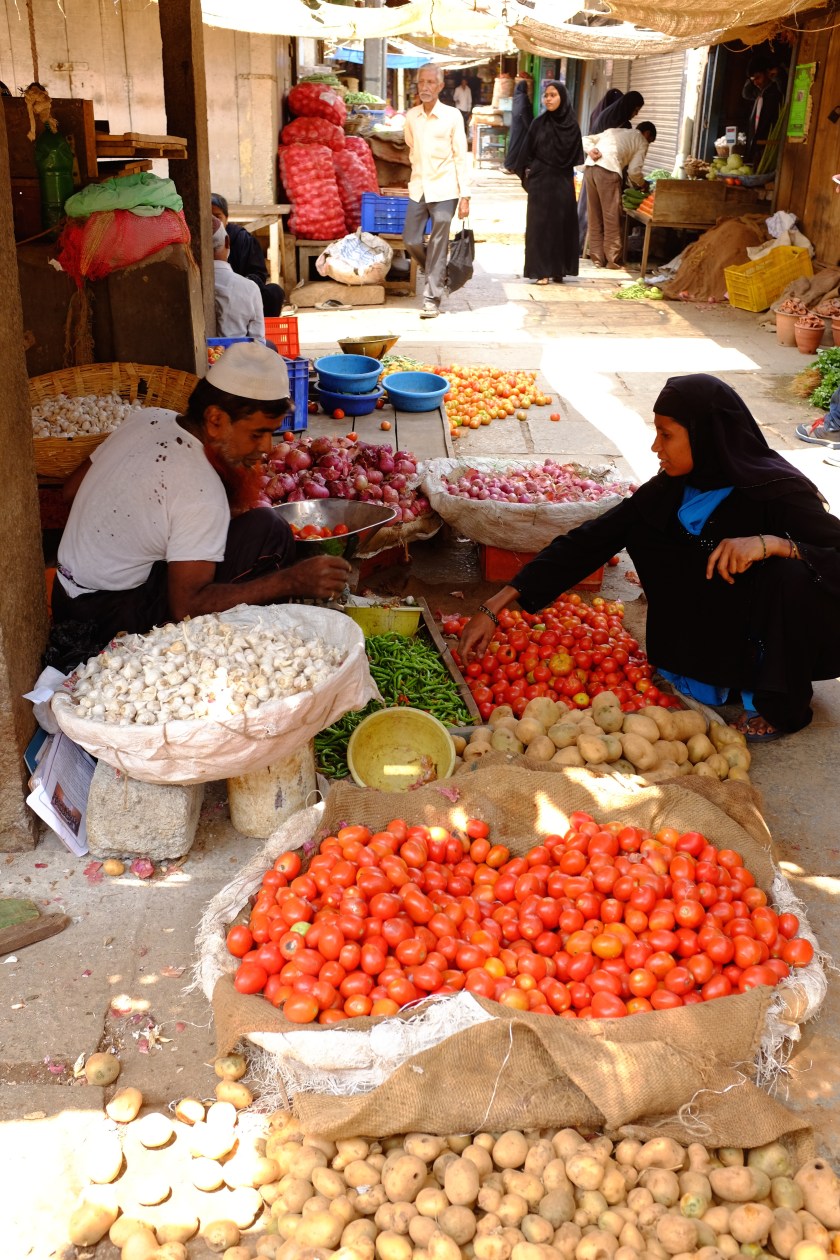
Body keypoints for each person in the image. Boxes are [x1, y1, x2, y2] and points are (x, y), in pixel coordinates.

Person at [459, 374, 840, 741]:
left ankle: (776, 698)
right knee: (644, 526)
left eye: (667, 435)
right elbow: (587, 542)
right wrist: (495, 606)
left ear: (706, 436)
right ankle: (710, 664)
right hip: (721, 627)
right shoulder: (672, 489)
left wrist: (772, 544)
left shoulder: (777, 492)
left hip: (772, 631)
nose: (656, 447)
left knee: (792, 574)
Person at [51, 342, 351, 659]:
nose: (265, 446)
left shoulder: (149, 418)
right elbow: (187, 606)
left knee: (260, 524)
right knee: (271, 534)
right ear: (215, 420)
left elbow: (70, 491)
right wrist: (291, 581)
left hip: (65, 595)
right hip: (111, 623)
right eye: (256, 433)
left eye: (272, 433)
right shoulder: (200, 490)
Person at [403, 63, 471, 319]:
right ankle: (436, 271)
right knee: (410, 239)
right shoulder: (411, 117)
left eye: (431, 82)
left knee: (440, 239)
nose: (425, 87)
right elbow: (411, 148)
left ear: (441, 86)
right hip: (419, 186)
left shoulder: (453, 116)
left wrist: (465, 195)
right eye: (422, 82)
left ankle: (432, 297)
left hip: (445, 187)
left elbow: (460, 156)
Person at [519, 81, 583, 286]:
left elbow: (575, 156)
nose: (548, 99)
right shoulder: (538, 123)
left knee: (560, 225)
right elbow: (525, 153)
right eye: (546, 95)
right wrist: (531, 172)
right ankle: (541, 271)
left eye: (553, 95)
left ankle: (559, 270)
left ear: (562, 97)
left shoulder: (572, 126)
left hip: (562, 182)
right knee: (540, 227)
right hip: (541, 182)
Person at [583, 121, 657, 269]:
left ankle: (597, 259)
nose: (648, 143)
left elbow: (585, 138)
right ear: (647, 134)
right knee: (612, 217)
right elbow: (634, 171)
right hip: (608, 171)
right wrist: (643, 184)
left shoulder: (614, 130)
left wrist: (591, 150)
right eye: (650, 140)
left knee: (595, 215)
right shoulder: (641, 140)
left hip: (590, 168)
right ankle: (613, 260)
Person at [210, 193, 285, 318]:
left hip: (241, 295)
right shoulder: (193, 239)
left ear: (227, 219)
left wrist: (240, 286)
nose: (214, 223)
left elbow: (258, 274)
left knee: (274, 292)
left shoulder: (242, 238)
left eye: (218, 217)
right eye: (208, 218)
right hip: (212, 295)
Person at [577, 89, 623, 247]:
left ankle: (583, 242)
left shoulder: (598, 114)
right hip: (603, 166)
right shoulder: (612, 123)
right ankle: (591, 245)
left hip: (591, 165)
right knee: (601, 213)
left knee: (588, 207)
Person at [212, 216, 265, 341]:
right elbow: (258, 341)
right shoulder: (249, 288)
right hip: (238, 356)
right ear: (227, 241)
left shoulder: (184, 286)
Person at [743, 57, 784, 164]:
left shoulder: (775, 92)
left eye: (758, 77)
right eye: (753, 80)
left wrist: (777, 75)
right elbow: (746, 94)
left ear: (768, 73)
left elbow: (783, 87)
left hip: (767, 145)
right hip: (756, 143)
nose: (756, 82)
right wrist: (749, 80)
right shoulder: (759, 93)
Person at [503, 78, 533, 175]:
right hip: (521, 127)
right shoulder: (523, 98)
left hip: (515, 126)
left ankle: (514, 167)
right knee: (518, 147)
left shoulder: (516, 97)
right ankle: (510, 166)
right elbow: (524, 112)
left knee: (515, 146)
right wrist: (529, 126)